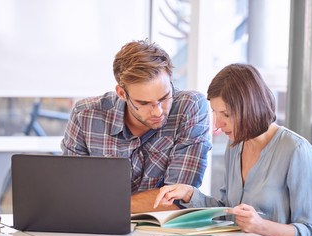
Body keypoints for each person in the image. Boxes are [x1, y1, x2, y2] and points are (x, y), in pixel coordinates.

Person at [154, 63, 312, 236]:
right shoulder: (236, 145)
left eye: (226, 114)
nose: (218, 124)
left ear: (250, 108)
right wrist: (189, 194)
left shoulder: (296, 150)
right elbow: (228, 212)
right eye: (215, 113)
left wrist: (261, 226)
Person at [61, 39, 212, 213]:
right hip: (98, 230)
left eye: (164, 98)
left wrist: (100, 204)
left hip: (164, 233)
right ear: (121, 93)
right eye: (144, 103)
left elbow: (178, 198)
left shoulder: (191, 107)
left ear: (170, 79)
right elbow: (72, 193)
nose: (157, 112)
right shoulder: (85, 115)